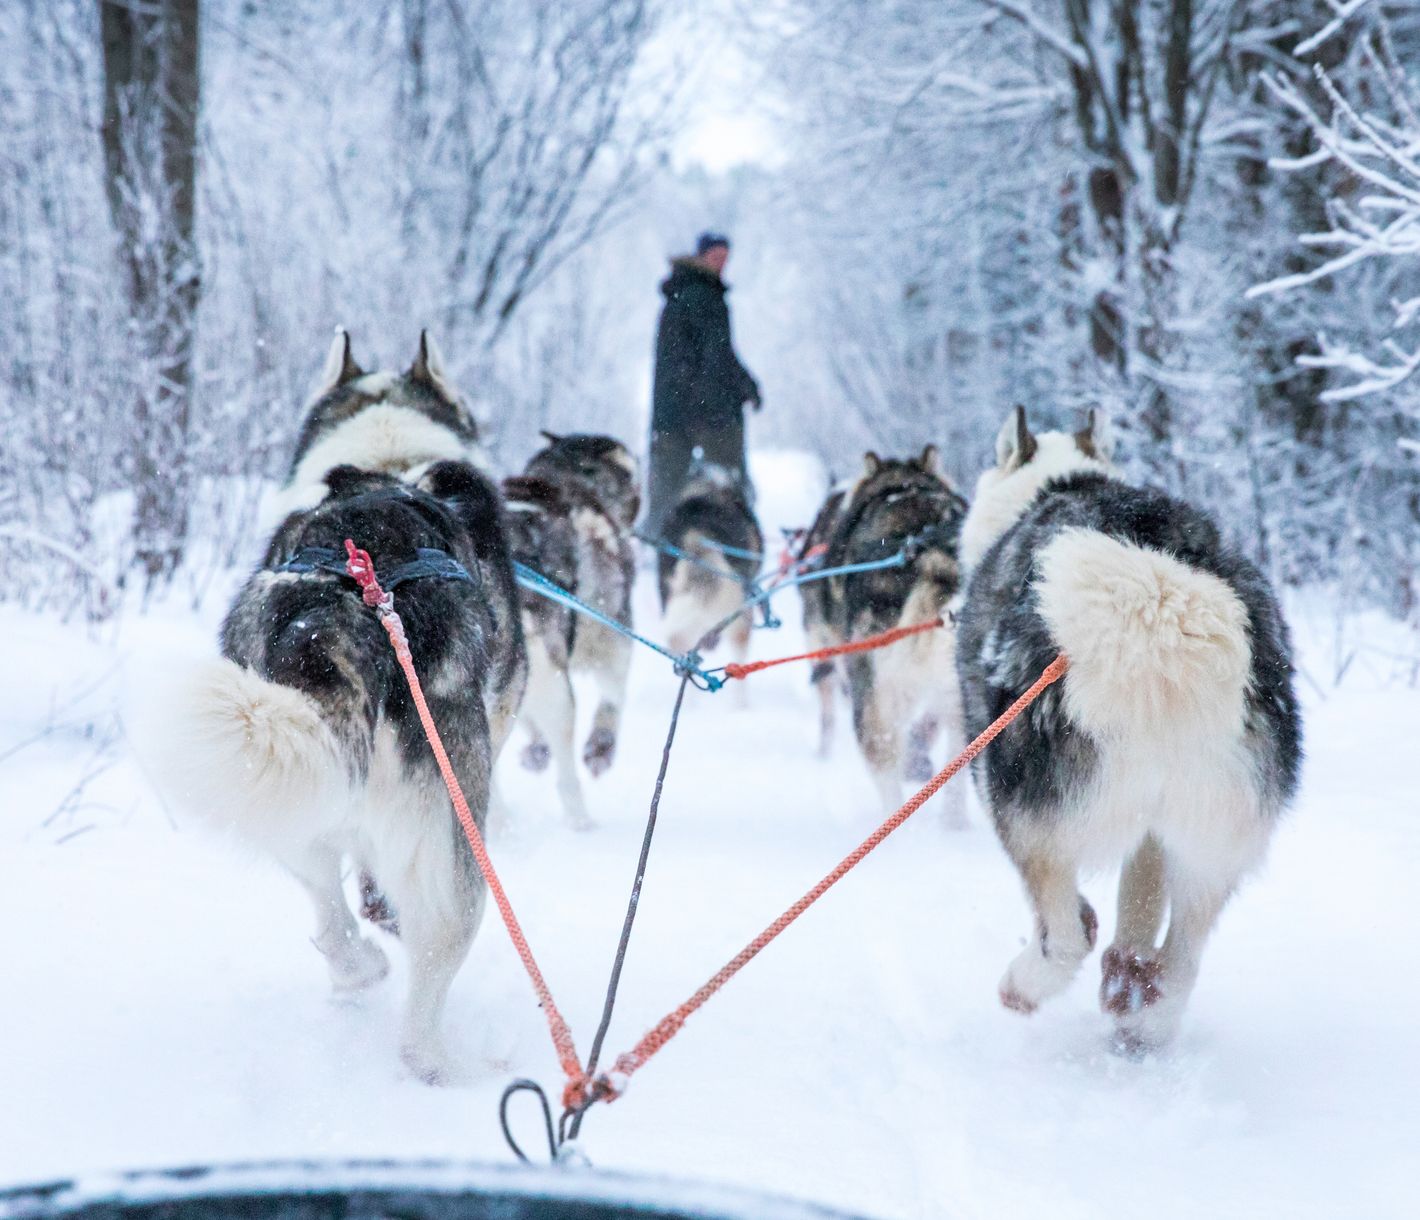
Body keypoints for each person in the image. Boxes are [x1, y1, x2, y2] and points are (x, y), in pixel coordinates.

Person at [644, 231, 761, 536]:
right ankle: (736, 545)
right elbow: (714, 356)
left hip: (673, 408)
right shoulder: (705, 296)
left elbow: (716, 352)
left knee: (666, 486)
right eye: (716, 256)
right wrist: (723, 397)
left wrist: (746, 384)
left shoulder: (680, 293)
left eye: (725, 257)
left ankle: (658, 544)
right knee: (728, 484)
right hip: (709, 411)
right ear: (702, 256)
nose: (722, 263)